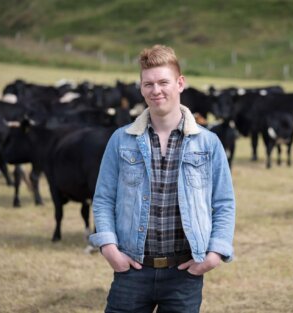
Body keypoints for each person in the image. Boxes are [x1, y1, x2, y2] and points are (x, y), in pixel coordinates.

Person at [90, 44, 236, 313]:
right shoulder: (121, 140)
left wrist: (215, 254)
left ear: (180, 83)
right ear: (141, 87)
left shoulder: (208, 143)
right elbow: (103, 198)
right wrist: (109, 247)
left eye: (163, 82)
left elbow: (224, 202)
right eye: (148, 84)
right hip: (132, 269)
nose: (155, 90)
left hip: (184, 273)